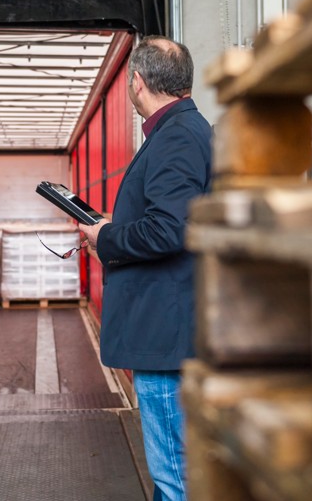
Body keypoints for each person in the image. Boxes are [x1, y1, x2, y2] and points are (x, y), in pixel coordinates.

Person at [78, 36, 212, 501]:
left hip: (165, 337)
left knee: (175, 476)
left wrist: (105, 236)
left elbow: (167, 231)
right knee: (177, 472)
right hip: (173, 331)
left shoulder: (175, 136)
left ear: (137, 83)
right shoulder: (187, 131)